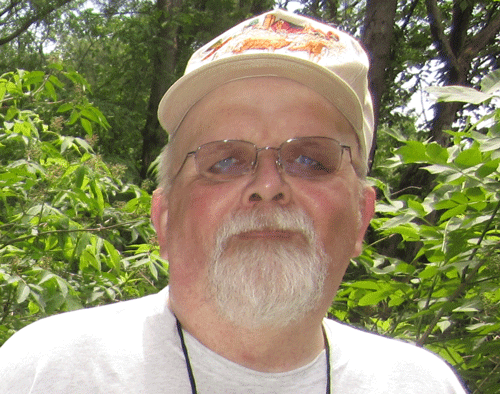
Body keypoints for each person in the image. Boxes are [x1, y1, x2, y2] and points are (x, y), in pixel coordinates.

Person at [0, 9, 467, 393]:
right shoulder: (42, 373)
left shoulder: (421, 384)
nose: (268, 183)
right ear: (163, 220)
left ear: (362, 218)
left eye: (310, 160)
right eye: (224, 160)